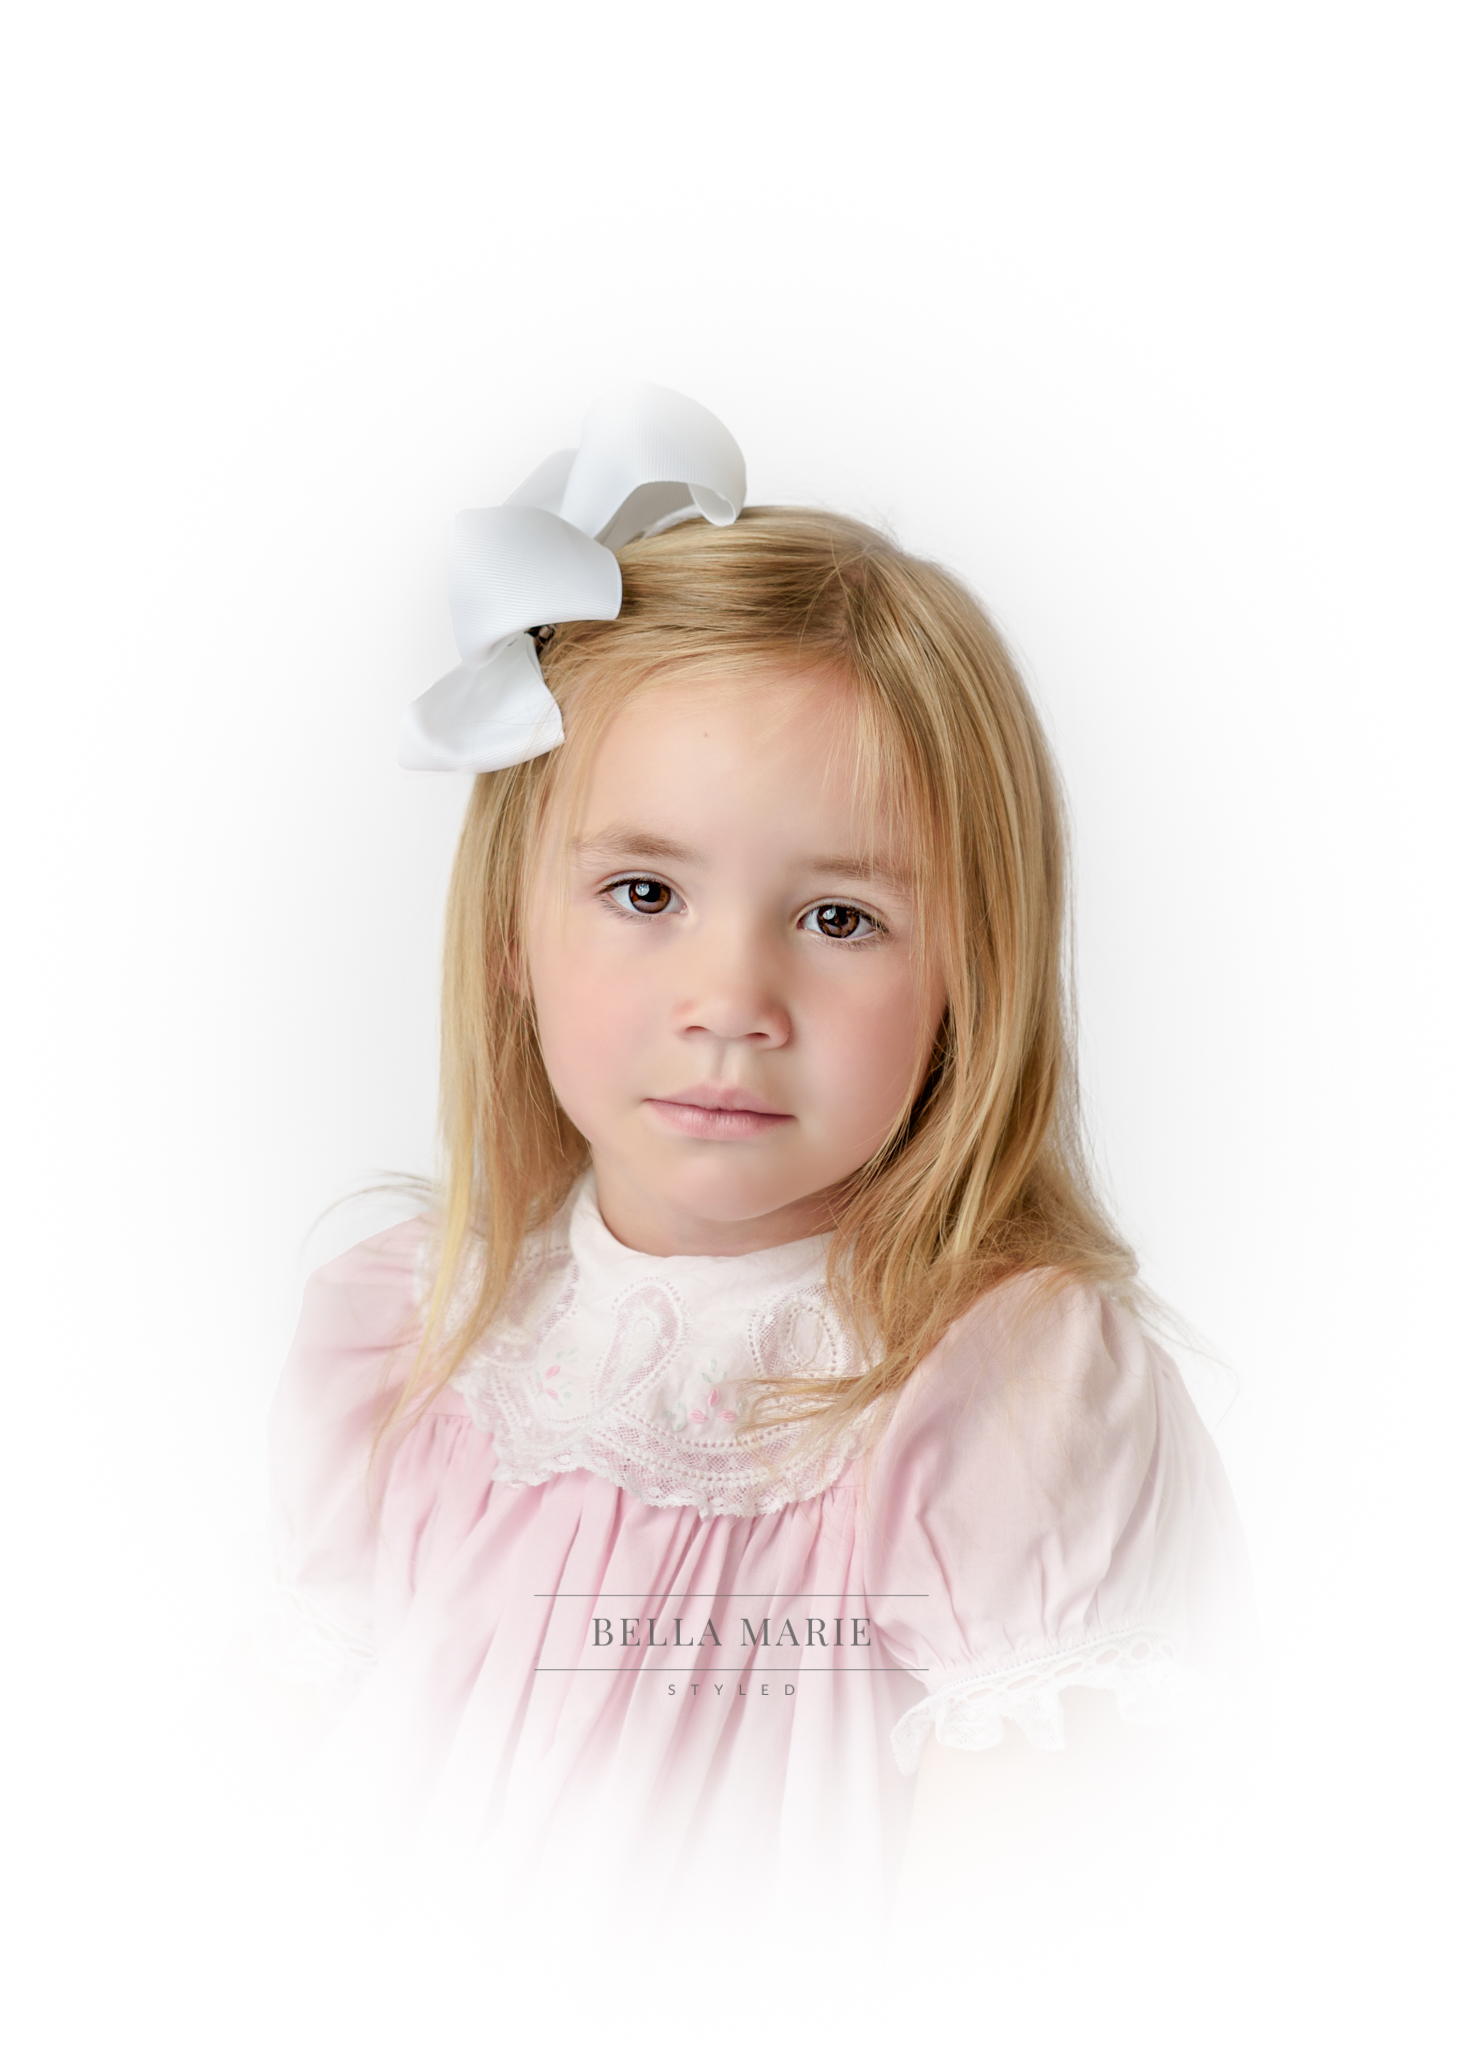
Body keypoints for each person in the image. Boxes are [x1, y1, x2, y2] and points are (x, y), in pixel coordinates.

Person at [258, 386, 1251, 1922]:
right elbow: (291, 1825)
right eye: (645, 893)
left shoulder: (1002, 1393)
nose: (731, 1004)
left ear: (967, 977)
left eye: (839, 918)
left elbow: (1042, 1933)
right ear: (513, 928)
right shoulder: (405, 1332)